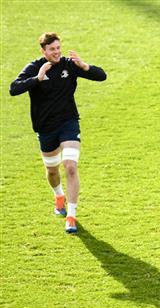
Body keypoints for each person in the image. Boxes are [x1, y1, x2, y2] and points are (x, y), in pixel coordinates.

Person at [9, 32, 106, 234]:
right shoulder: (35, 67)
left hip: (68, 123)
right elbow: (14, 88)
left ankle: (71, 216)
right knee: (52, 170)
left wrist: (84, 66)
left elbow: (101, 76)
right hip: (45, 128)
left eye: (58, 48)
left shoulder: (68, 65)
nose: (57, 52)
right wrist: (37, 78)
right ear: (43, 51)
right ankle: (58, 196)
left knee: (70, 166)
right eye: (52, 49)